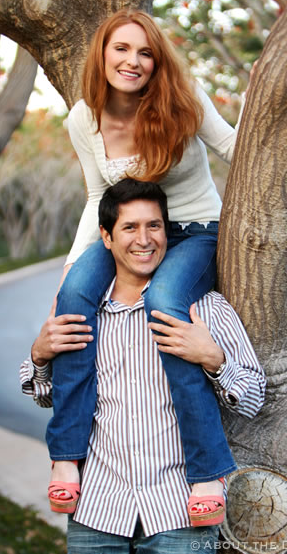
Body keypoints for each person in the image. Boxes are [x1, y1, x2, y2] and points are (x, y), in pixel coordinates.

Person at [37, 8, 248, 518]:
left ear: (156, 62)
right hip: (131, 232)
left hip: (195, 231)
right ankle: (66, 455)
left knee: (165, 302)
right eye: (122, 49)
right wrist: (71, 268)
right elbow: (96, 196)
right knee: (72, 299)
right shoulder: (83, 119)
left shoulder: (181, 98)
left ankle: (206, 471)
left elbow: (234, 148)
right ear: (103, 55)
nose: (133, 61)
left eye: (145, 53)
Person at [22, 179, 266, 552]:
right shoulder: (81, 311)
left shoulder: (203, 310)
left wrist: (214, 359)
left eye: (154, 226)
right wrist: (39, 356)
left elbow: (254, 400)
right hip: (97, 510)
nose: (145, 239)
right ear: (106, 237)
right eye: (130, 228)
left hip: (181, 512)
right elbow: (46, 397)